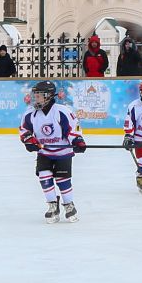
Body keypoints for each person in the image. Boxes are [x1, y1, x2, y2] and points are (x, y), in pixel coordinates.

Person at [18, 80, 85, 222]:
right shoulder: (31, 113)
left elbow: (73, 129)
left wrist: (77, 141)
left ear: (48, 96)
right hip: (44, 153)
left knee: (63, 181)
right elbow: (24, 130)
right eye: (35, 95)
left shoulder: (62, 111)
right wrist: (29, 140)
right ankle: (52, 205)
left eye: (39, 95)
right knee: (44, 177)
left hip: (63, 153)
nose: (36, 98)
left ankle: (69, 205)